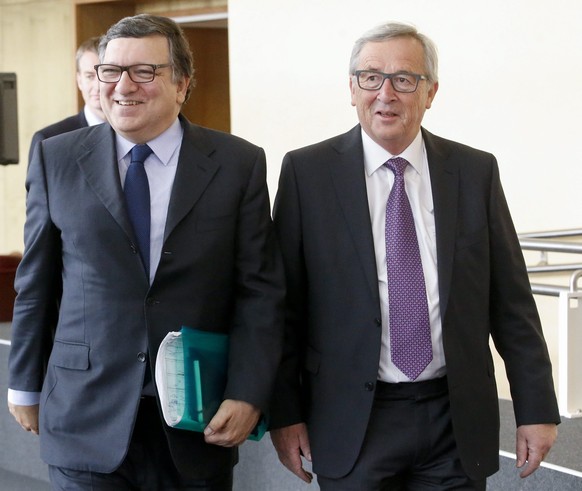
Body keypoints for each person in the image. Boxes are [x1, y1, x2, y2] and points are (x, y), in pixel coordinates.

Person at [269, 21, 560, 490]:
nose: (386, 93)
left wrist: (537, 409)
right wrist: (285, 414)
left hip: (454, 417)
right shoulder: (307, 173)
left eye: (404, 79)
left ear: (431, 92)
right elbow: (283, 310)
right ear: (351, 88)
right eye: (370, 77)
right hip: (352, 418)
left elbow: (511, 303)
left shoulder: (474, 172)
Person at [8, 14, 284, 491]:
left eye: (144, 72)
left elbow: (260, 291)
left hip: (196, 420)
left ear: (183, 84)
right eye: (109, 71)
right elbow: (37, 282)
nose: (121, 86)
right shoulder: (57, 157)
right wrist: (23, 383)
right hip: (85, 413)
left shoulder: (238, 163)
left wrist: (249, 392)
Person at [28, 36, 106, 163]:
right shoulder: (48, 141)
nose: (97, 86)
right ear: (79, 80)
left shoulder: (135, 135)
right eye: (89, 76)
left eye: (105, 75)